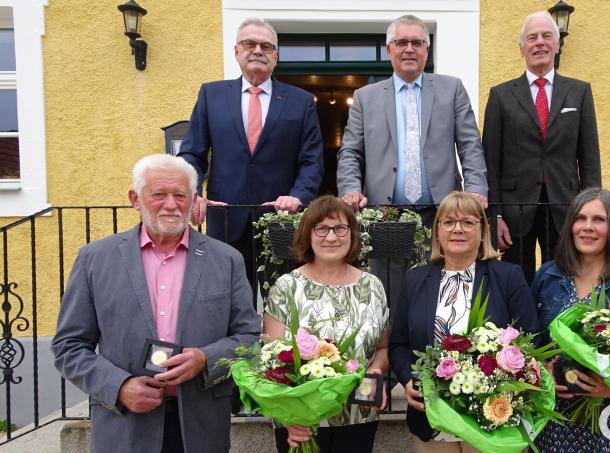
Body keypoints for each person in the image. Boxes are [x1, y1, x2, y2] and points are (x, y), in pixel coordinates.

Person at [51, 154, 262, 453]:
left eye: (180, 195)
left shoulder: (226, 260)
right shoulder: (95, 260)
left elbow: (251, 339)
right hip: (124, 425)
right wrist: (119, 387)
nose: (171, 204)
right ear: (135, 199)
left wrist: (205, 358)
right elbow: (68, 346)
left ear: (192, 200)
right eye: (158, 194)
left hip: (201, 426)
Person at [178, 17, 324, 296]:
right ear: (237, 52)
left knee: (284, 303)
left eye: (266, 46)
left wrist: (298, 195)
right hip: (225, 218)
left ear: (276, 56)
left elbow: (311, 160)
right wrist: (193, 192)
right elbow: (191, 154)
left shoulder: (300, 101)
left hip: (281, 220)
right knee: (227, 300)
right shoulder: (212, 95)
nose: (258, 50)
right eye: (249, 44)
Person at [389, 191, 540, 452]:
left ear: (483, 231)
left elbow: (531, 339)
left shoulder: (508, 277)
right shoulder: (416, 280)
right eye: (448, 222)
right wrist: (408, 379)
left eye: (468, 222)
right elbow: (399, 343)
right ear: (437, 231)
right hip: (431, 417)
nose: (457, 229)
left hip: (491, 419)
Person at [263, 195, 390, 453]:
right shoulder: (286, 287)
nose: (331, 237)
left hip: (358, 414)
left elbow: (382, 348)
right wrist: (290, 418)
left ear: (352, 235)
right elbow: (272, 360)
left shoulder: (372, 286)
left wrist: (377, 370)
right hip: (302, 420)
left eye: (340, 228)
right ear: (307, 235)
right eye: (321, 228)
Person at [531, 187, 610, 452]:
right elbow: (529, 342)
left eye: (599, 220)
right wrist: (545, 373)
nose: (587, 227)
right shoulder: (547, 277)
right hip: (556, 418)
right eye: (580, 218)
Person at [483, 11, 601, 283]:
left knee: (563, 279)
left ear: (557, 45)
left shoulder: (579, 92)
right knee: (516, 281)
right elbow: (491, 159)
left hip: (565, 206)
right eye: (532, 37)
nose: (539, 42)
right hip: (515, 209)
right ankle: (519, 327)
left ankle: (557, 327)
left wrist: (591, 211)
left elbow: (590, 158)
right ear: (522, 48)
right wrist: (494, 216)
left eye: (547, 36)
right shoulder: (500, 95)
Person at [337, 14, 488, 227]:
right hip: (382, 214)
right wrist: (350, 189)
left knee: (444, 262)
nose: (409, 49)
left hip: (444, 213)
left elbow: (470, 145)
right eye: (401, 43)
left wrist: (475, 190)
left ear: (427, 50)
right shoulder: (365, 97)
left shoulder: (452, 90)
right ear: (389, 50)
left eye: (417, 43)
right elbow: (350, 152)